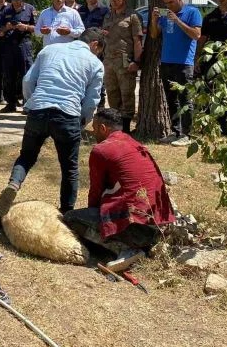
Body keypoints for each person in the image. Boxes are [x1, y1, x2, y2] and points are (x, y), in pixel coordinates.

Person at [0, 28, 105, 218]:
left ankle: (14, 183)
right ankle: (67, 212)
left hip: (38, 109)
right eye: (99, 50)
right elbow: (91, 100)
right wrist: (82, 119)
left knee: (26, 156)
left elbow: (28, 80)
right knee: (69, 167)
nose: (98, 54)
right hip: (67, 115)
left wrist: (31, 103)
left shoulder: (49, 50)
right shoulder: (95, 63)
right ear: (95, 45)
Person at [63, 108, 176, 272]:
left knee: (71, 218)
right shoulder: (134, 143)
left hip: (135, 227)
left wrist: (92, 213)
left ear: (103, 128)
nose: (93, 133)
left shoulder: (102, 150)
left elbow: (96, 190)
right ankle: (136, 245)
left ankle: (124, 249)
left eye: (94, 128)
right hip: (158, 223)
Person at [149, 0, 202, 147]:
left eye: (171, 2)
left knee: (185, 98)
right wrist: (154, 19)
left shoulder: (192, 12)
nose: (169, 6)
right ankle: (176, 131)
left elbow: (196, 35)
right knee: (171, 99)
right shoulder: (165, 15)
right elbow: (153, 34)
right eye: (166, 3)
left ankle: (187, 134)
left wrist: (178, 20)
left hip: (184, 63)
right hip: (167, 61)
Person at [102, 0, 143, 134]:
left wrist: (137, 61)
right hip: (109, 61)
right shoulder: (108, 16)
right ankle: (116, 127)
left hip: (125, 61)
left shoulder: (133, 16)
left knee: (127, 95)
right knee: (112, 93)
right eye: (112, 0)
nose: (114, 2)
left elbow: (137, 40)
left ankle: (125, 129)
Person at [0, 0, 36, 113]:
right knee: (9, 75)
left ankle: (28, 104)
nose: (16, 2)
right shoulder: (5, 10)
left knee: (27, 75)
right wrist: (6, 28)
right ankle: (11, 103)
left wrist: (25, 27)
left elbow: (37, 28)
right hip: (9, 46)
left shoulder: (30, 9)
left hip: (24, 45)